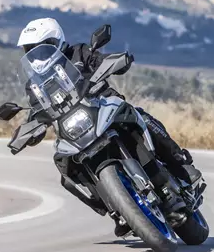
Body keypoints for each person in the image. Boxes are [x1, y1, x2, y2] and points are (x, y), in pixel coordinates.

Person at [15, 17, 202, 237]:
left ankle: (180, 164)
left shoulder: (80, 53)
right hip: (74, 127)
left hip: (105, 107)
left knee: (141, 119)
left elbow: (102, 60)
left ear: (57, 41)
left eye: (42, 47)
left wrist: (117, 61)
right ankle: (115, 208)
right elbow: (36, 109)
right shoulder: (34, 83)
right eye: (31, 50)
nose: (37, 55)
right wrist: (30, 129)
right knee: (65, 167)